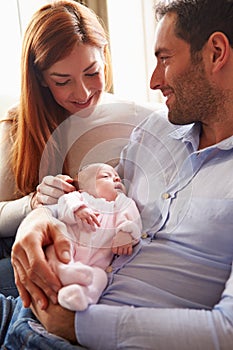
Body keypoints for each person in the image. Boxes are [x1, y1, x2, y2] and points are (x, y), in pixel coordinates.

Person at [2, 0, 233, 348]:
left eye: (165, 58)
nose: (153, 80)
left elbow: (225, 331)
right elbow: (100, 193)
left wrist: (77, 326)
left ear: (216, 53)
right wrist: (37, 220)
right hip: (26, 309)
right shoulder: (156, 127)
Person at [0, 0, 157, 297]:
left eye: (91, 72)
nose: (82, 93)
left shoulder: (138, 120)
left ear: (105, 58)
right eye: (63, 81)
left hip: (85, 258)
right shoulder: (18, 125)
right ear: (42, 80)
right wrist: (33, 204)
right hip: (18, 242)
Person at [46, 163, 141, 311]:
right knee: (53, 250)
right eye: (106, 176)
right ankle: (63, 271)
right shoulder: (80, 197)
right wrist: (78, 209)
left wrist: (126, 233)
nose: (116, 179)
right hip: (70, 248)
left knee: (100, 278)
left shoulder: (122, 203)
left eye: (117, 178)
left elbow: (132, 218)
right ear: (85, 188)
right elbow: (65, 203)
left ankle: (81, 295)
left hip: (96, 263)